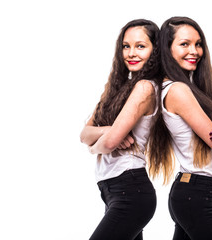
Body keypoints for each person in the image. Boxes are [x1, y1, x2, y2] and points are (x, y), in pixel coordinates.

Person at [148, 17, 212, 240]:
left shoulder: (188, 88)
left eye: (198, 44)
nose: (195, 51)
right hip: (196, 194)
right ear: (167, 50)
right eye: (184, 44)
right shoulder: (177, 90)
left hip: (195, 192)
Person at [80, 19, 161, 240]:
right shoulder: (115, 88)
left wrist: (94, 147)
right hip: (112, 190)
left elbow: (107, 144)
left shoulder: (145, 87)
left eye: (140, 46)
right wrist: (109, 130)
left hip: (130, 190)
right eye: (126, 46)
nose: (131, 53)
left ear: (155, 50)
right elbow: (84, 135)